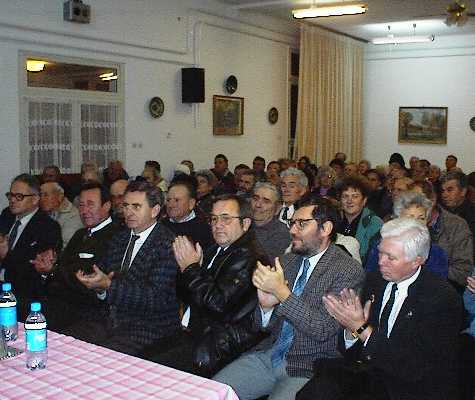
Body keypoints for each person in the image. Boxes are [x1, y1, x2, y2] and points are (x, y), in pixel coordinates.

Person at [214, 195, 364, 400]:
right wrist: (266, 308)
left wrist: (282, 294)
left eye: (301, 224)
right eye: (292, 223)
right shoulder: (287, 261)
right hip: (270, 354)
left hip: (310, 365)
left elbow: (322, 330)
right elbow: (262, 327)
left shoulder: (347, 271)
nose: (292, 230)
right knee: (212, 392)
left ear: (325, 228)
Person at [298, 218, 462, 400]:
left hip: (408, 387)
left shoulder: (442, 299)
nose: (381, 262)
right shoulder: (375, 280)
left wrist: (361, 328)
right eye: (380, 253)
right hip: (368, 374)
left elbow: (415, 367)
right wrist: (351, 329)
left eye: (391, 257)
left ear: (417, 261)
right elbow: (352, 351)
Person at [151, 194, 269, 377]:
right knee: (141, 359)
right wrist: (186, 269)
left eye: (226, 219)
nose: (217, 225)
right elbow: (183, 294)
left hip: (217, 343)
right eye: (214, 219)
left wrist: (191, 269)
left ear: (245, 224)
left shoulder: (249, 258)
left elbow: (218, 305)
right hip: (193, 331)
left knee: (153, 369)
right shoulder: (215, 249)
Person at [72, 180, 180, 356]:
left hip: (149, 324)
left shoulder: (168, 244)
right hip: (111, 317)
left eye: (136, 207)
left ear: (155, 210)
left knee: (102, 356)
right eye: (125, 206)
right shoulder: (119, 238)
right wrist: (97, 285)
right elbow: (103, 275)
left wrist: (108, 286)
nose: (128, 212)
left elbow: (154, 298)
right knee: (71, 342)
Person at [33, 182, 121, 332]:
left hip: (87, 311)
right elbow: (63, 266)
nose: (84, 211)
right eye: (81, 205)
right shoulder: (80, 234)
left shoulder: (116, 236)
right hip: (59, 302)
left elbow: (85, 277)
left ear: (106, 206)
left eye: (90, 204)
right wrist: (48, 267)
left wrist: (54, 270)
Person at [0, 174, 62, 320]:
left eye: (19, 196)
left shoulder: (48, 227)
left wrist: (6, 255)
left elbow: (33, 269)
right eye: (10, 195)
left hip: (23, 293)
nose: (12, 200)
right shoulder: (6, 215)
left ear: (35, 199)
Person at [365, 191, 449, 279]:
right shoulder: (381, 247)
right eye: (410, 218)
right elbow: (371, 278)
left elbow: (437, 283)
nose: (416, 223)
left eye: (421, 218)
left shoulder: (437, 253)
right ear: (398, 220)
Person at [337, 177, 383, 263]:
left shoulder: (375, 223)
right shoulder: (333, 220)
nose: (349, 201)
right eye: (345, 196)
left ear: (364, 200)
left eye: (355, 196)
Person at [162, 180, 213, 250]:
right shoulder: (160, 225)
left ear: (191, 203)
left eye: (177, 200)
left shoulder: (204, 229)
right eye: (168, 200)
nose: (171, 205)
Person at [251, 182, 291, 261]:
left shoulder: (281, 233)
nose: (258, 205)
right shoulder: (241, 223)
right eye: (255, 199)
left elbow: (266, 262)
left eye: (266, 201)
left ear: (278, 208)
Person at [440, 171, 475, 256]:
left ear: (463, 191)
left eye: (450, 190)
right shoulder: (440, 211)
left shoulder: (472, 214)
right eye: (443, 191)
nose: (444, 195)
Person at [39, 181, 82, 247]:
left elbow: (67, 247)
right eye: (40, 195)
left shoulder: (73, 217)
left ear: (60, 196)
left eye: (46, 195)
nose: (42, 199)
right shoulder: (45, 213)